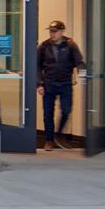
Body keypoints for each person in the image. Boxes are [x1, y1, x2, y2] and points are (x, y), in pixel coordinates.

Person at [37, 20, 86, 150]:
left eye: (55, 32)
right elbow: (37, 66)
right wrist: (39, 84)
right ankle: (49, 140)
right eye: (50, 31)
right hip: (49, 83)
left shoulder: (70, 45)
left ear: (62, 31)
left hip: (65, 83)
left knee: (66, 110)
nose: (52, 34)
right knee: (48, 113)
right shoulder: (44, 46)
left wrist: (82, 73)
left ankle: (58, 134)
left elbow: (79, 62)